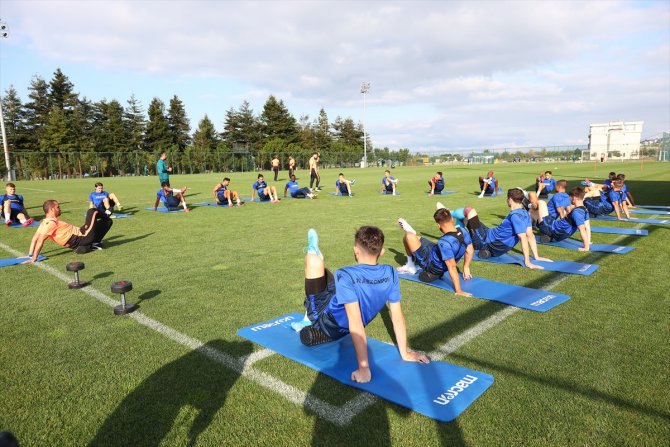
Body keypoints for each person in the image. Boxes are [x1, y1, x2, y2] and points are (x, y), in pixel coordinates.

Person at [293, 227, 429, 383]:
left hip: (326, 321)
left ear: (355, 250)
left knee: (313, 261)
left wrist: (364, 368)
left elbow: (355, 322)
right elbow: (397, 317)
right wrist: (404, 353)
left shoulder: (345, 274)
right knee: (326, 277)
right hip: (340, 300)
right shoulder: (390, 273)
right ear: (382, 251)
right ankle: (318, 258)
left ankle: (314, 254)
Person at [463, 188, 549, 269]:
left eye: (507, 198)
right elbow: (530, 236)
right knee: (472, 220)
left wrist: (527, 262)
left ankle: (456, 237)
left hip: (485, 242)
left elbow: (523, 238)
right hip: (490, 235)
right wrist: (536, 256)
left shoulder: (515, 216)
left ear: (510, 199)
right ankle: (458, 235)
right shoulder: (525, 213)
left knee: (468, 211)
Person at [396, 208, 474, 296]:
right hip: (435, 250)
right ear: (452, 219)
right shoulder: (463, 231)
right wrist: (466, 267)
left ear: (438, 225)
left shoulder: (444, 242)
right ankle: (410, 262)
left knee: (408, 236)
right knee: (414, 237)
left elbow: (452, 267)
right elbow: (470, 250)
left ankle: (411, 266)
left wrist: (459, 290)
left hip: (431, 264)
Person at [26, 199, 113, 259]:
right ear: (52, 209)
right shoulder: (51, 224)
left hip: (79, 238)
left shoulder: (45, 222)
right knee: (92, 211)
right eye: (58, 207)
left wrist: (30, 254)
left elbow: (35, 238)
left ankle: (90, 245)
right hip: (84, 236)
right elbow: (40, 240)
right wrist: (34, 258)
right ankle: (107, 213)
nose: (60, 209)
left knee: (107, 222)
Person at [531, 187, 591, 251]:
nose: (570, 200)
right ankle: (549, 237)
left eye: (570, 198)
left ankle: (529, 206)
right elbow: (587, 227)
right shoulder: (585, 210)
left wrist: (586, 247)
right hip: (557, 233)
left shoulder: (577, 212)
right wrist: (588, 241)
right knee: (533, 213)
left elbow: (582, 230)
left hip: (550, 228)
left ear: (574, 197)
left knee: (541, 202)